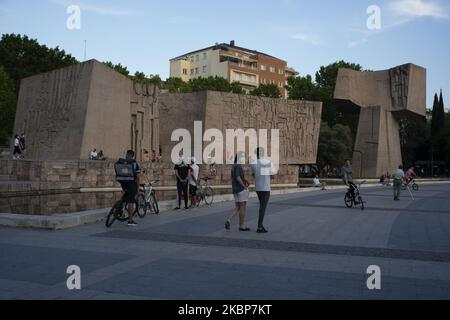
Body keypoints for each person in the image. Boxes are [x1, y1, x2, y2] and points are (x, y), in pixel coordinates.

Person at [251, 147, 275, 234]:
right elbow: (272, 176)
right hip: (265, 188)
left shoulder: (253, 163)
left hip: (258, 188)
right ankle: (259, 227)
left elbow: (254, 175)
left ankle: (260, 225)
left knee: (262, 206)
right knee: (262, 208)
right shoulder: (268, 163)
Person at [226, 152, 251, 232]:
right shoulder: (238, 166)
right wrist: (244, 186)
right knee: (243, 207)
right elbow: (237, 177)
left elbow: (237, 176)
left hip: (235, 189)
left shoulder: (233, 166)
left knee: (238, 207)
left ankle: (229, 220)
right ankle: (242, 225)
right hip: (240, 189)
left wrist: (245, 180)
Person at [115, 150, 141, 226]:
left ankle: (119, 207)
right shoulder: (134, 163)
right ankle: (130, 220)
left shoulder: (121, 162)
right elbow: (138, 177)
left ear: (126, 155)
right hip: (131, 183)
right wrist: (138, 188)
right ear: (133, 156)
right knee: (131, 201)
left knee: (125, 194)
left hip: (122, 182)